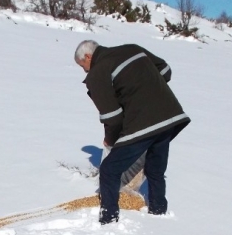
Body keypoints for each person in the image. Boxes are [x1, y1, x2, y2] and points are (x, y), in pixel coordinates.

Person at [74, 40, 190, 224]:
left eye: (83, 66)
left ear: (88, 57)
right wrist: (146, 89)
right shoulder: (132, 48)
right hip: (169, 116)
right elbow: (165, 70)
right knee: (155, 169)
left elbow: (112, 116)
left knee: (109, 170)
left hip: (142, 122)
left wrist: (111, 140)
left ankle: (109, 218)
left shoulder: (98, 72)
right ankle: (159, 211)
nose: (85, 71)